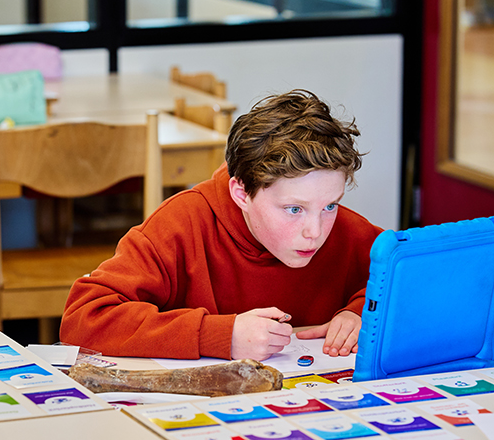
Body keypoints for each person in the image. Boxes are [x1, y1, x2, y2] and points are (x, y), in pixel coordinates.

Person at [60, 89, 383, 361]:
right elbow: (83, 320)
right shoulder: (181, 224)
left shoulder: (344, 228)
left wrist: (361, 313)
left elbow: (416, 279)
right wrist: (218, 336)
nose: (315, 230)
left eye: (330, 205)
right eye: (293, 209)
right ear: (241, 192)